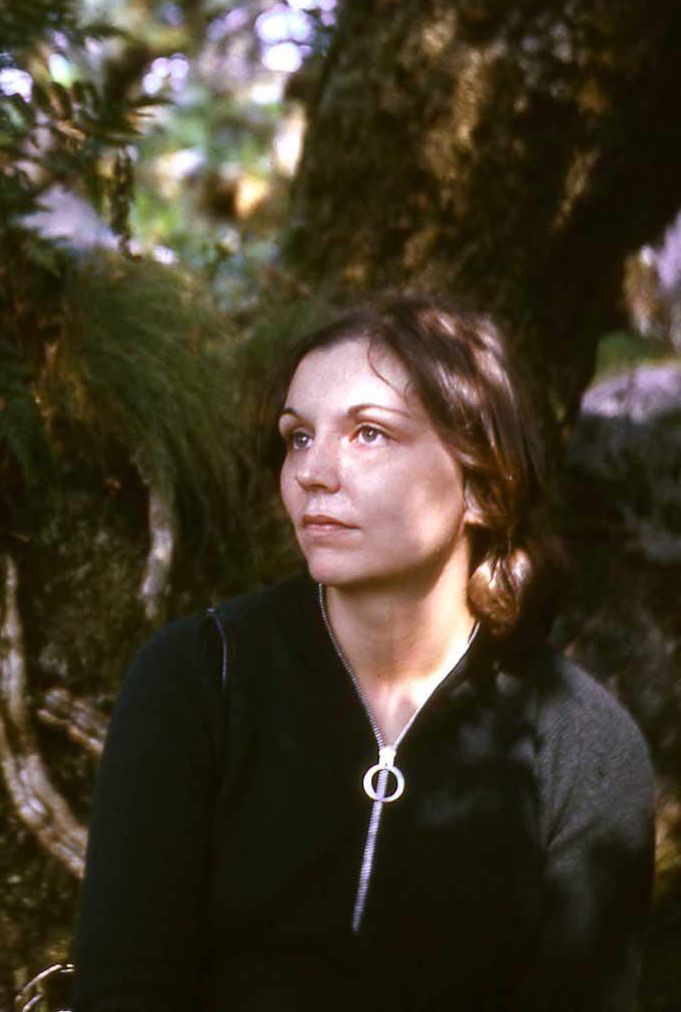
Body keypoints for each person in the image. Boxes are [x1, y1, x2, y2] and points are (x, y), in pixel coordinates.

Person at [72, 294, 655, 1012]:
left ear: (481, 483)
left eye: (369, 434)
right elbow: (124, 989)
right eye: (297, 437)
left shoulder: (584, 750)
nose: (314, 472)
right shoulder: (197, 678)